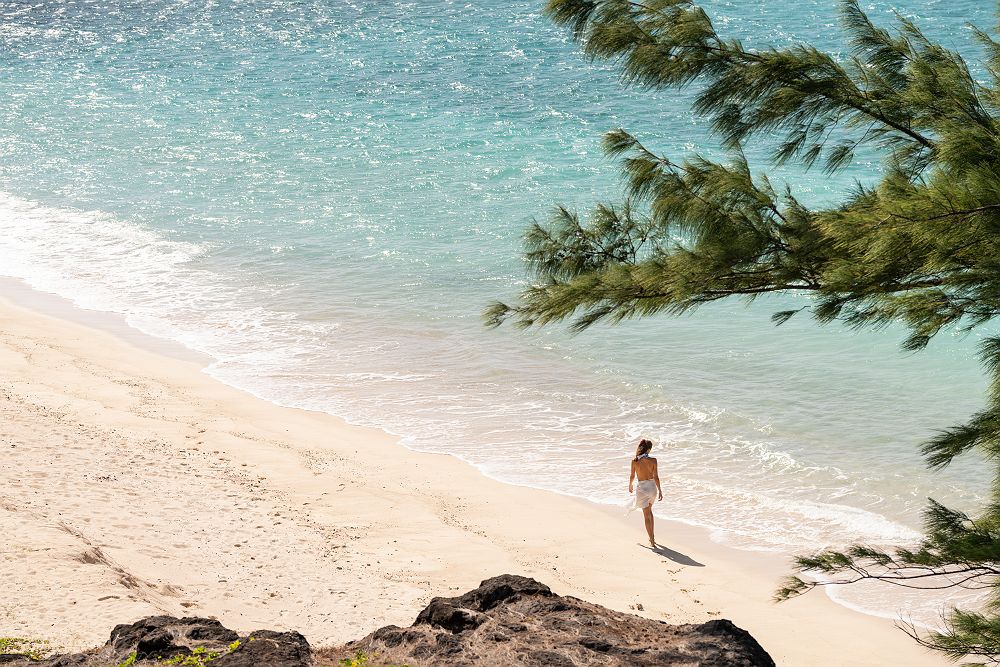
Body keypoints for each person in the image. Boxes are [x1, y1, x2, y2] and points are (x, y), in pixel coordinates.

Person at [627, 438, 663, 547]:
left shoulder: (635, 461)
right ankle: (652, 537)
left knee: (646, 515)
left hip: (642, 488)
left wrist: (630, 485)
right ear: (649, 449)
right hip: (652, 488)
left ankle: (651, 540)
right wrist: (660, 490)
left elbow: (632, 476)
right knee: (650, 512)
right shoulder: (653, 460)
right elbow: (656, 477)